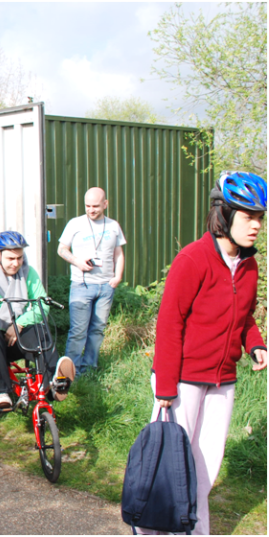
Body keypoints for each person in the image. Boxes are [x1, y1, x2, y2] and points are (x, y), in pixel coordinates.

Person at [149, 171, 267, 537]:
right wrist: (165, 386)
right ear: (223, 215)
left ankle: (194, 531)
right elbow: (169, 324)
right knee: (170, 464)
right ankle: (151, 528)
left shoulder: (248, 265)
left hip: (223, 380)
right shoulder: (193, 259)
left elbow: (243, 314)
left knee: (205, 467)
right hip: (181, 380)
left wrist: (256, 343)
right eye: (249, 217)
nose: (257, 226)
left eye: (260, 217)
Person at [0, 231, 75, 412]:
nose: (16, 263)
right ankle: (0, 393)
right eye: (11, 258)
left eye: (20, 258)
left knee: (38, 329)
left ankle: (52, 383)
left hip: (14, 335)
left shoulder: (27, 273)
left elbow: (41, 305)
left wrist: (18, 325)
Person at [57, 187, 126, 375]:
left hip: (105, 286)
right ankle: (70, 372)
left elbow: (119, 254)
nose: (91, 210)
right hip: (82, 285)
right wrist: (77, 262)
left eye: (95, 206)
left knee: (97, 330)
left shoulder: (113, 226)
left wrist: (117, 278)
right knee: (78, 331)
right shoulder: (75, 224)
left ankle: (89, 369)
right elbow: (62, 249)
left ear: (105, 204)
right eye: (88, 206)